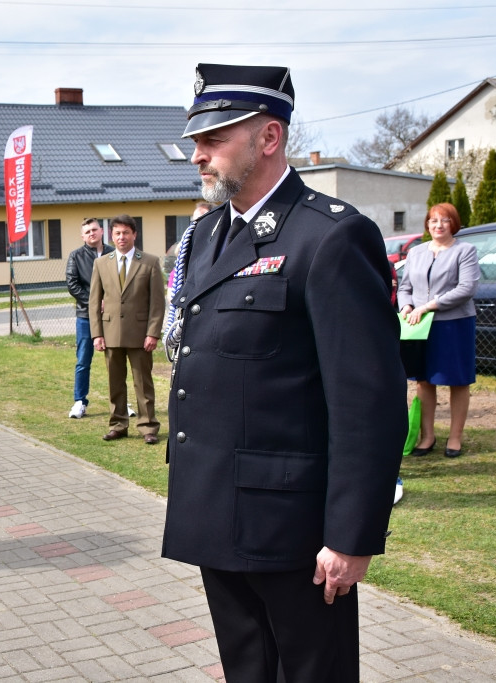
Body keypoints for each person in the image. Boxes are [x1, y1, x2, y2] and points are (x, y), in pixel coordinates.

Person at [162, 64, 406, 682]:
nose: (198, 155)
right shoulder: (210, 231)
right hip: (217, 510)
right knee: (248, 671)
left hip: (293, 532)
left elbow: (367, 403)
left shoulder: (330, 236)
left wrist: (351, 536)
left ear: (268, 139)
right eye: (196, 141)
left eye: (214, 139)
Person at [398, 202, 480, 458]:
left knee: (457, 380)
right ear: (427, 224)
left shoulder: (465, 251)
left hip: (454, 324)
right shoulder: (416, 252)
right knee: (423, 380)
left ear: (453, 224)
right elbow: (404, 287)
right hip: (418, 327)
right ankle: (427, 436)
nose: (438, 225)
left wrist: (428, 306)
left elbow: (466, 289)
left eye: (444, 220)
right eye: (434, 221)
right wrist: (407, 306)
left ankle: (455, 437)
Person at [88, 214, 164, 444]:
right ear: (112, 235)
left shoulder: (149, 262)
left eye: (126, 233)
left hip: (141, 335)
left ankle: (148, 426)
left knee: (143, 383)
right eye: (118, 233)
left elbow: (157, 302)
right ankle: (118, 424)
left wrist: (153, 332)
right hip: (110, 333)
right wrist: (97, 334)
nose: (122, 237)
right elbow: (94, 301)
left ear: (134, 234)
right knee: (115, 382)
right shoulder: (101, 263)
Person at [66, 218, 114, 418]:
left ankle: (120, 402)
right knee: (83, 360)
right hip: (86, 316)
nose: (92, 234)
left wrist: (110, 303)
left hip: (113, 316)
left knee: (115, 361)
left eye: (95, 230)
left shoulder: (114, 254)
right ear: (82, 236)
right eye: (87, 232)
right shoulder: (75, 256)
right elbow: (72, 284)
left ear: (102, 231)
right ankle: (79, 402)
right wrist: (95, 302)